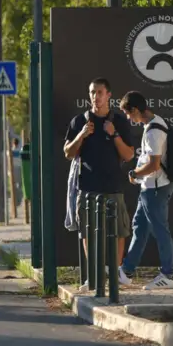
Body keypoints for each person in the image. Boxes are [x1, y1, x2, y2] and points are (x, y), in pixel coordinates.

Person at [63, 77, 135, 288]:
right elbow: (68, 153)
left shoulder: (119, 121)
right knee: (88, 233)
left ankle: (113, 275)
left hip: (113, 187)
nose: (96, 97)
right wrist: (82, 136)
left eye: (100, 92)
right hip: (87, 187)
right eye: (93, 92)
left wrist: (114, 136)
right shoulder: (79, 121)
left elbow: (129, 154)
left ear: (109, 96)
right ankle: (93, 276)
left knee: (119, 232)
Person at [119, 90, 173, 289]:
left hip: (155, 188)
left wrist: (135, 173)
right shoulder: (153, 124)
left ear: (135, 110)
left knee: (160, 230)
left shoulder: (153, 131)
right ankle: (126, 271)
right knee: (140, 228)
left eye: (128, 114)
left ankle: (168, 275)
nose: (128, 118)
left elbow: (154, 164)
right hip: (150, 188)